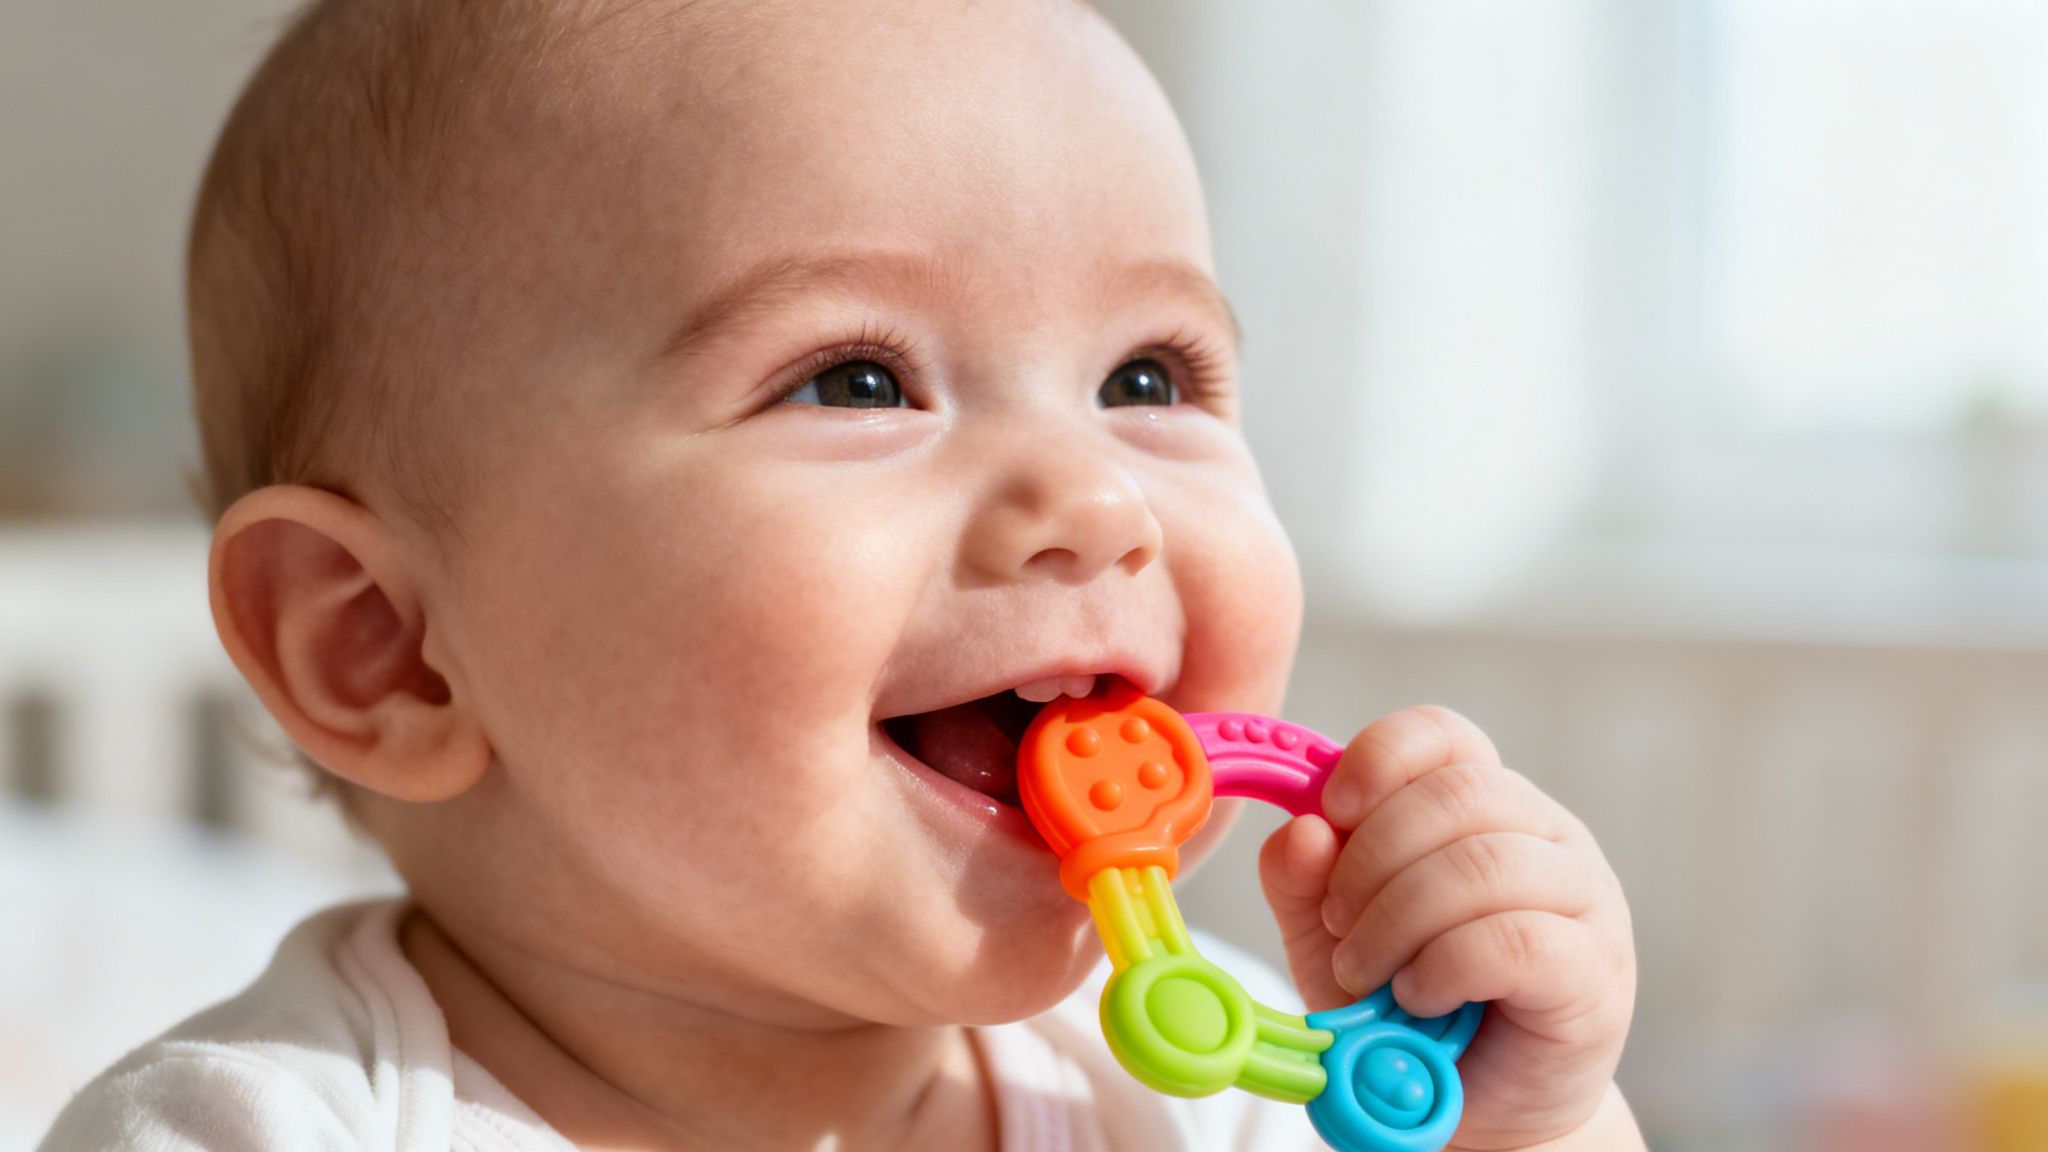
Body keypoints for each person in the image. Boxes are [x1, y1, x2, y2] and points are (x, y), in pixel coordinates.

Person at [42, 0, 1644, 1148]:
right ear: (385, 648)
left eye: (1150, 377)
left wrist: (1528, 1129)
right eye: (856, 382)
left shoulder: (1213, 1088)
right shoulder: (253, 1131)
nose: (1090, 496)